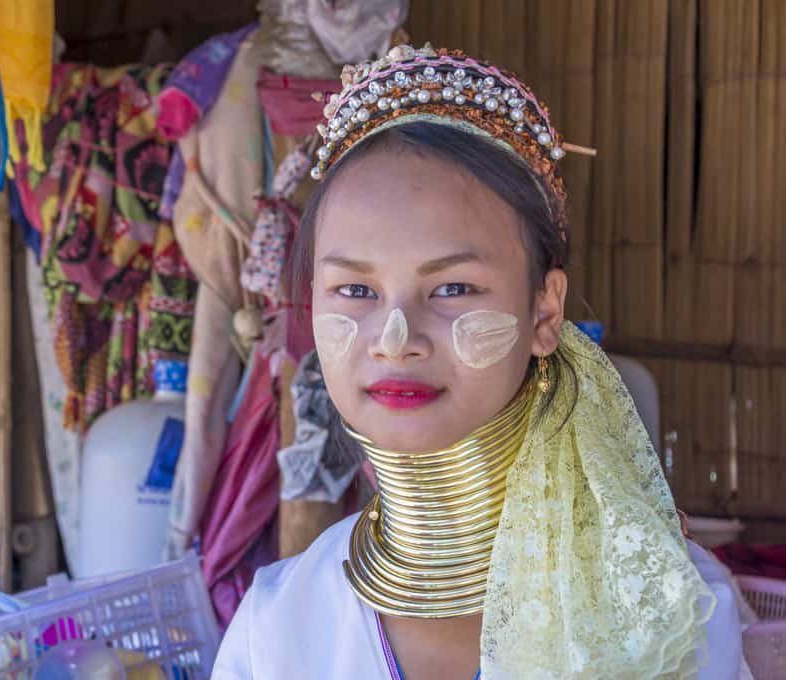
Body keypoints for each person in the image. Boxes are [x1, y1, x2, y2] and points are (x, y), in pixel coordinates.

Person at [211, 45, 744, 680]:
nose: (395, 338)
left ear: (544, 314)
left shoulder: (667, 606)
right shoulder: (277, 627)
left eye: (453, 288)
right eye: (355, 291)